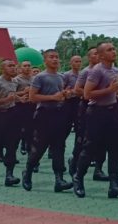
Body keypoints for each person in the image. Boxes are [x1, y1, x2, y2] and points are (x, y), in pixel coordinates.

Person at [72, 42, 118, 199]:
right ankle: (78, 178)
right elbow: (86, 94)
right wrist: (109, 90)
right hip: (96, 113)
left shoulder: (116, 70)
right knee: (89, 147)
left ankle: (114, 184)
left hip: (112, 112)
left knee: (114, 148)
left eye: (114, 48)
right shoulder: (97, 71)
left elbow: (114, 92)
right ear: (101, 55)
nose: (114, 51)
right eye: (109, 50)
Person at [22, 50, 73, 193]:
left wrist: (65, 94)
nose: (55, 60)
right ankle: (28, 172)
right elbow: (32, 98)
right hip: (44, 114)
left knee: (59, 147)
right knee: (39, 147)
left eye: (57, 57)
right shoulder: (40, 77)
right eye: (51, 57)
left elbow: (59, 94)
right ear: (45, 60)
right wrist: (53, 98)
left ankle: (59, 179)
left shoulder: (61, 77)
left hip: (58, 114)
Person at [67, 47, 109, 182]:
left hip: (103, 107)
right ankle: (74, 163)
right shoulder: (86, 72)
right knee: (83, 138)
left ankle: (98, 169)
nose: (98, 56)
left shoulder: (106, 70)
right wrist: (90, 93)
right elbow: (77, 89)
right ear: (89, 57)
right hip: (86, 107)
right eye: (95, 54)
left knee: (102, 140)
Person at [14, 61, 35, 158]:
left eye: (29, 66)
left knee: (31, 129)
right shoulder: (16, 80)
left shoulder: (35, 79)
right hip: (19, 106)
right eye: (25, 66)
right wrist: (23, 92)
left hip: (32, 106)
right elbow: (10, 94)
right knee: (18, 130)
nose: (27, 67)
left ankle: (29, 149)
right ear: (20, 68)